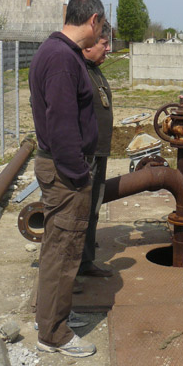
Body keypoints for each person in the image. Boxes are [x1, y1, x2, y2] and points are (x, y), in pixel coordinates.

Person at [29, 0, 105, 358]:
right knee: (64, 251)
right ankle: (53, 334)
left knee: (56, 248)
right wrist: (78, 175)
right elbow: (61, 125)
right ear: (93, 21)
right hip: (65, 171)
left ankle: (51, 315)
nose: (101, 35)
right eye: (101, 27)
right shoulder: (62, 58)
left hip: (59, 167)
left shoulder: (58, 52)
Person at [77, 22, 114, 278]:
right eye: (104, 43)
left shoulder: (95, 70)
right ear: (89, 45)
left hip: (99, 152)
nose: (108, 49)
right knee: (80, 210)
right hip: (85, 154)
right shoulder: (77, 70)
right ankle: (74, 269)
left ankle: (85, 261)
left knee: (93, 208)